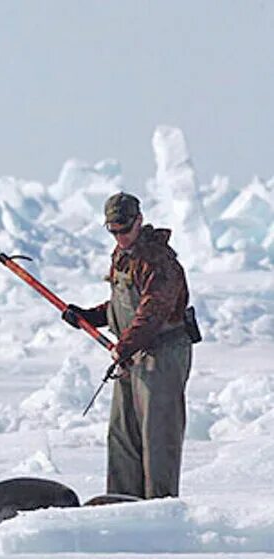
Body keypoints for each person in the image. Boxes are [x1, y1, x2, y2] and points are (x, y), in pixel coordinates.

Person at [62, 192, 193, 499]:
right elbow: (123, 305)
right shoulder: (123, 256)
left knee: (157, 436)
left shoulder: (158, 262)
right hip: (131, 354)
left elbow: (152, 312)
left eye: (124, 229)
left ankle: (158, 508)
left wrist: (125, 345)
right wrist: (89, 316)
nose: (119, 237)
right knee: (122, 434)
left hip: (161, 356)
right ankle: (122, 505)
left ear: (139, 221)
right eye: (113, 231)